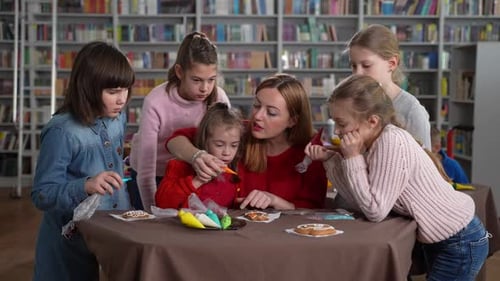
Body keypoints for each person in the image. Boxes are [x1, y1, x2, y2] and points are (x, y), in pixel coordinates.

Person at [305, 74, 489, 280]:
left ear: (372, 121)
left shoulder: (391, 142)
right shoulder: (371, 143)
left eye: (342, 124)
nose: (337, 132)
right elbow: (357, 199)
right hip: (445, 238)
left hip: (459, 239)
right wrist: (333, 160)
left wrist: (353, 157)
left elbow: (375, 211)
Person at [31, 41, 135, 281]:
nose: (122, 99)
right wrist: (85, 185)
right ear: (88, 88)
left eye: (125, 89)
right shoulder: (61, 131)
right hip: (69, 239)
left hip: (113, 225)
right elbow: (42, 194)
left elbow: (114, 161)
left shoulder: (117, 117)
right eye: (113, 92)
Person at [166, 73, 327, 210]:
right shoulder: (239, 133)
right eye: (257, 106)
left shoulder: (311, 153)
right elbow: (175, 140)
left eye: (271, 112)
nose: (257, 116)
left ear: (292, 121)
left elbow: (312, 210)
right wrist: (197, 156)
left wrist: (275, 201)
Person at [128, 31, 230, 211]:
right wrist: (153, 214)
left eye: (211, 80)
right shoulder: (156, 100)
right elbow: (145, 174)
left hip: (191, 172)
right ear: (180, 72)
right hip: (155, 173)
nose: (205, 88)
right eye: (197, 80)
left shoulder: (219, 97)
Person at [347, 24, 431, 149]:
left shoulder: (412, 111)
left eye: (366, 65)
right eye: (354, 66)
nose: (357, 73)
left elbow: (426, 165)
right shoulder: (354, 103)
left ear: (392, 63)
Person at [155, 103, 243, 209]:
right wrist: (197, 181)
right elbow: (162, 203)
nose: (227, 152)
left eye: (234, 145)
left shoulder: (234, 172)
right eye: (219, 145)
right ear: (205, 141)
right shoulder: (179, 166)